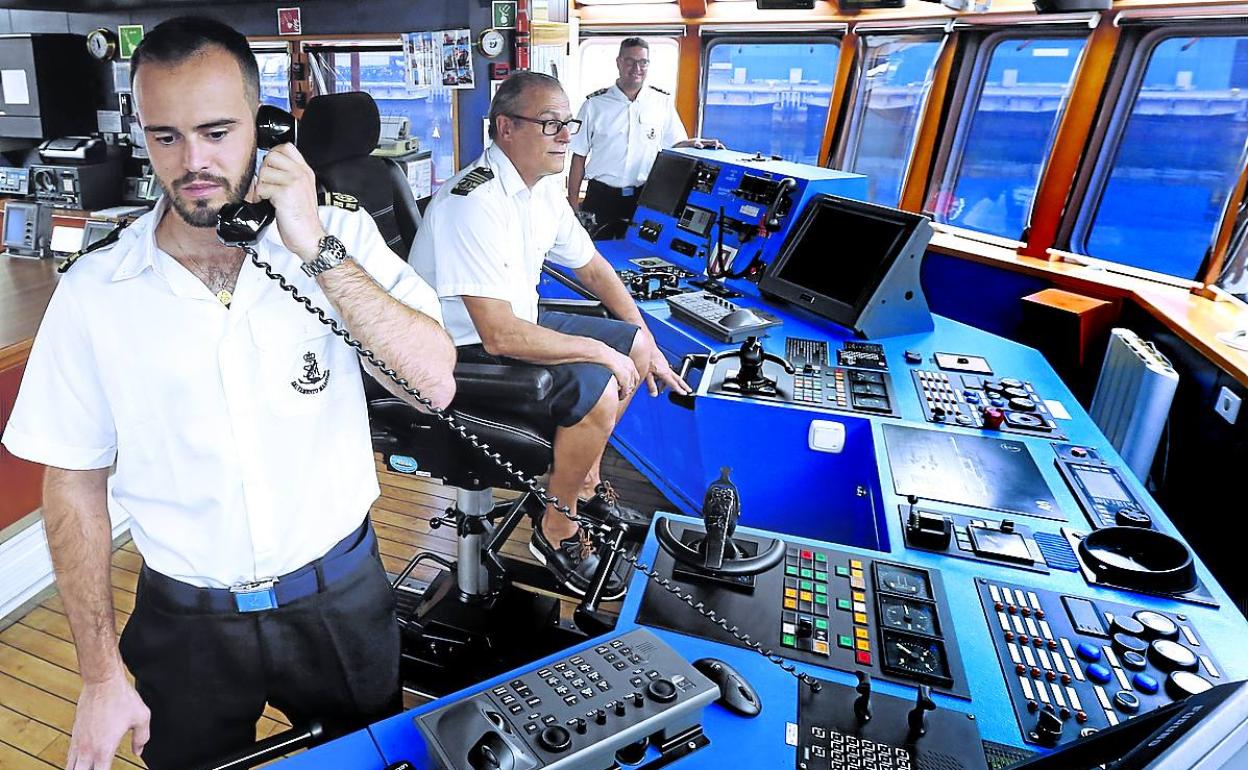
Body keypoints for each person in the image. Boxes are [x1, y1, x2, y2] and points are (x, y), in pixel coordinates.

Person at [0, 17, 456, 770]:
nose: (193, 162)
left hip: (339, 596)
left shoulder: (336, 242)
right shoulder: (95, 291)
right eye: (166, 137)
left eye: (217, 132)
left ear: (265, 127)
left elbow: (434, 385)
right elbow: (72, 478)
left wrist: (314, 247)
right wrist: (97, 671)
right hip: (185, 621)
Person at [410, 71, 691, 598]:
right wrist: (599, 352)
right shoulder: (472, 202)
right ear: (505, 129)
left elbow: (595, 269)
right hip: (460, 348)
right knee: (602, 380)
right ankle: (556, 527)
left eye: (568, 123)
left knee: (629, 345)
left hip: (514, 323)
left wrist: (642, 337)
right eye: (551, 124)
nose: (567, 135)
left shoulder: (541, 191)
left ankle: (577, 484)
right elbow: (496, 336)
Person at [567, 37, 721, 239]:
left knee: (638, 254)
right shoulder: (594, 105)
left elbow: (674, 145)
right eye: (630, 61)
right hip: (600, 197)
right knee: (593, 254)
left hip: (644, 196)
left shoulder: (661, 103)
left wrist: (695, 144)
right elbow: (578, 156)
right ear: (619, 62)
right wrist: (572, 204)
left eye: (643, 62)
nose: (636, 68)